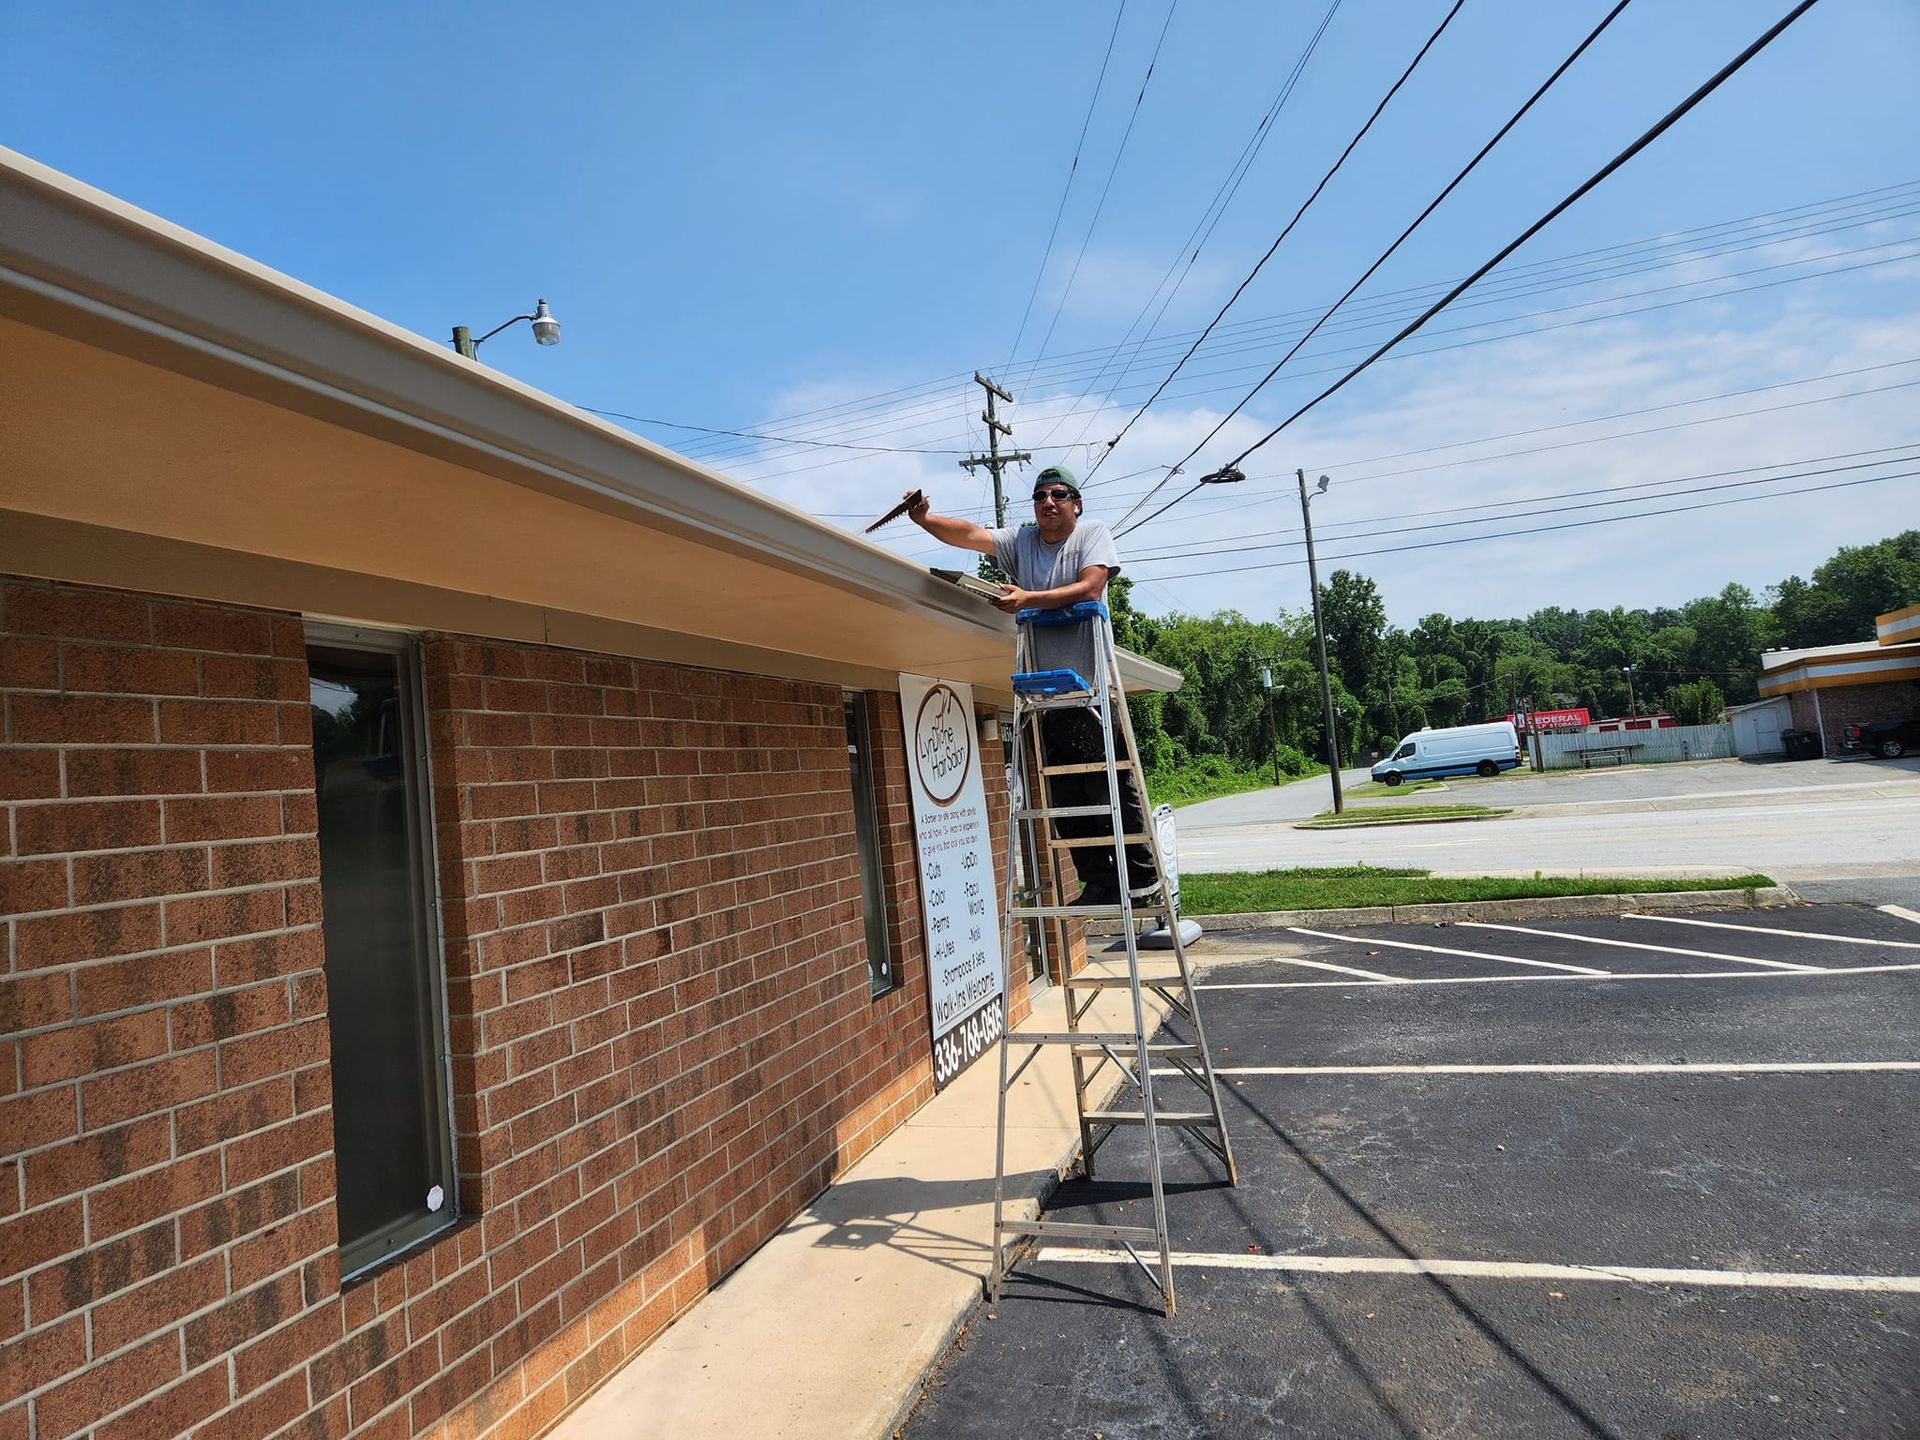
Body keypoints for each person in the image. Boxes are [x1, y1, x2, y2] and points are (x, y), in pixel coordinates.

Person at [905, 465, 1156, 907]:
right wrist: (926, 519)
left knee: (1108, 787)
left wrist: (1027, 600)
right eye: (1040, 496)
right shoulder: (1022, 542)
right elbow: (969, 534)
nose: (1048, 502)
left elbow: (1091, 586)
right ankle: (1097, 884)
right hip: (1045, 694)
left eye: (1058, 495)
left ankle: (1141, 882)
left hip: (1091, 687)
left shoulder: (1091, 534)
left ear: (1076, 503)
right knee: (1065, 797)